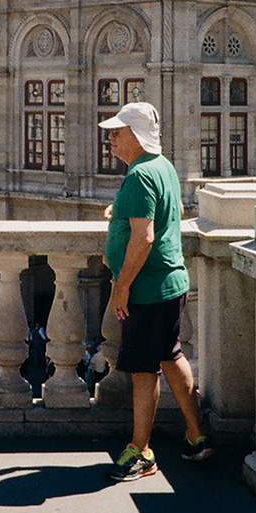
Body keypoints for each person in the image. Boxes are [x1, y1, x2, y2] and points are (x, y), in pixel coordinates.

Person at [98, 102, 214, 482]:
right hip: (171, 283)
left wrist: (121, 286)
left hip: (146, 290)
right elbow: (169, 211)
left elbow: (143, 237)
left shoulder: (139, 176)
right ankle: (196, 435)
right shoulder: (162, 168)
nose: (111, 138)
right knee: (171, 355)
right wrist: (120, 212)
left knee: (143, 371)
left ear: (136, 135)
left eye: (117, 132)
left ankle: (141, 452)